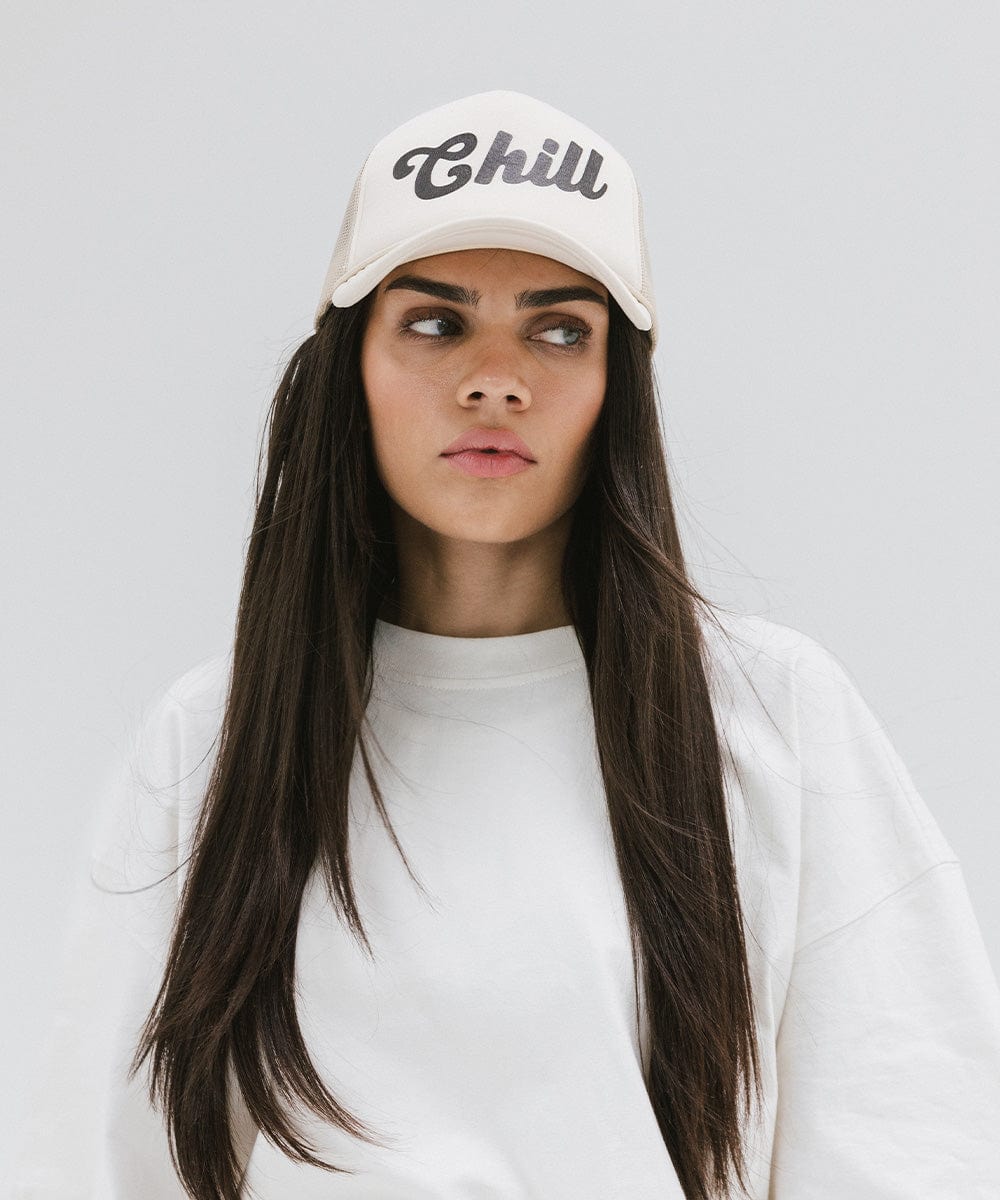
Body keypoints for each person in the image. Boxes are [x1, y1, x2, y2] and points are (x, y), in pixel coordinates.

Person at [6, 90, 1000, 1200]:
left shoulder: (772, 719)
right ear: (354, 366)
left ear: (615, 383)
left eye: (559, 328)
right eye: (434, 322)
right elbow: (97, 1168)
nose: (495, 377)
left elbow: (911, 1144)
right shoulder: (214, 740)